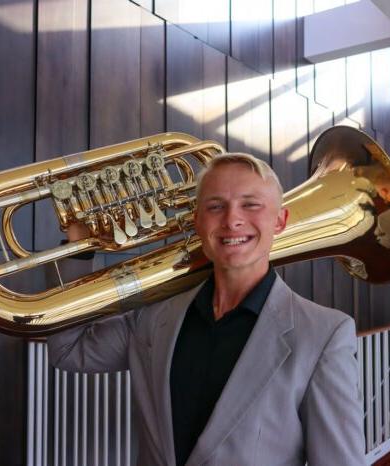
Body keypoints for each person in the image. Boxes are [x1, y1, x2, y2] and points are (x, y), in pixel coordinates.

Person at [47, 153, 366, 466]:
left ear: (280, 220)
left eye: (250, 204)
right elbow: (70, 351)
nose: (232, 220)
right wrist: (79, 244)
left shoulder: (324, 335)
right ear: (197, 221)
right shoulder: (154, 314)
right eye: (216, 206)